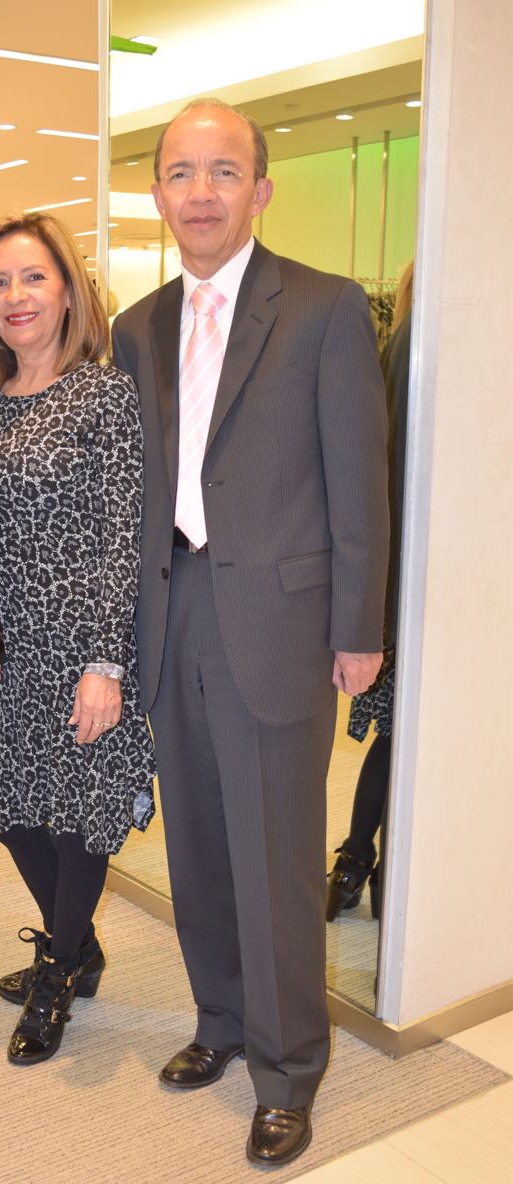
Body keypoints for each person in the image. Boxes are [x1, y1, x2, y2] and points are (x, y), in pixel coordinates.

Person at [112, 99, 389, 1167]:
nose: (201, 193)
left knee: (275, 853)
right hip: (171, 609)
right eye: (181, 173)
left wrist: (357, 628)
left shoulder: (323, 308)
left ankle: (287, 1066)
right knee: (196, 842)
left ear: (259, 189)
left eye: (222, 171)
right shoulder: (137, 326)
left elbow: (358, 480)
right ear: (157, 194)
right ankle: (221, 1018)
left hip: (276, 621)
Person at [0, 213, 156, 1066]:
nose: (16, 296)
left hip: (85, 641)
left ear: (68, 289)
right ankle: (77, 945)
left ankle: (58, 971)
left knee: (80, 812)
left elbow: (126, 534)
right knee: (10, 804)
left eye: (33, 277)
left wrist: (106, 662)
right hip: (5, 646)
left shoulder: (104, 394)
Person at [327, 262, 413, 922]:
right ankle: (361, 863)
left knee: (399, 731)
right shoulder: (420, 340)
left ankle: (357, 862)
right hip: (418, 567)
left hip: (408, 564)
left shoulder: (404, 338)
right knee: (405, 730)